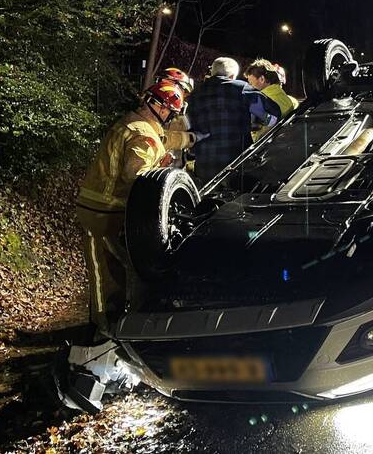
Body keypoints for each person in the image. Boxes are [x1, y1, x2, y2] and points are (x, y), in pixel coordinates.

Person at [75, 80, 201, 331]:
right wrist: (160, 171)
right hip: (104, 211)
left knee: (114, 266)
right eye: (171, 113)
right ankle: (102, 327)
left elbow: (163, 139)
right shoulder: (144, 135)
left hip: (98, 206)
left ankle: (108, 319)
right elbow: (138, 177)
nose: (170, 117)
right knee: (104, 273)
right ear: (162, 109)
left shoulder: (132, 123)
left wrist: (188, 140)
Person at [189, 57, 278, 183]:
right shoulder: (242, 89)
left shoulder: (194, 94)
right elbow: (271, 115)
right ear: (231, 76)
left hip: (204, 169)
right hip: (237, 167)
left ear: (213, 72)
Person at [244, 58, 298, 137]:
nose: (250, 86)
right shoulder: (292, 101)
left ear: (262, 79)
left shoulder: (259, 101)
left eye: (251, 83)